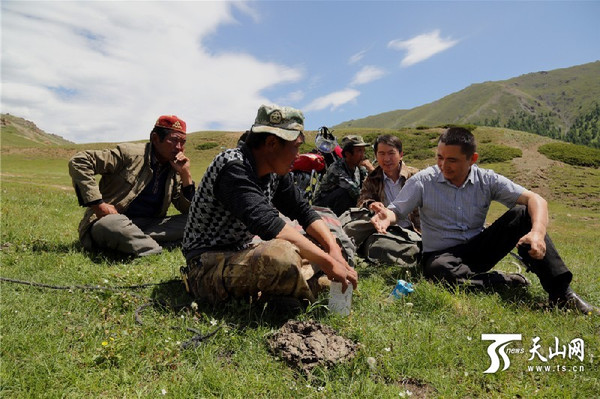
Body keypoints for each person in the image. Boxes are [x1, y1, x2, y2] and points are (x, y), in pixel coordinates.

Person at [370, 127, 598, 315]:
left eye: (452, 160)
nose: (443, 165)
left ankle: (562, 295)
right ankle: (501, 281)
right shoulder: (423, 181)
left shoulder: (486, 179)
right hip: (442, 256)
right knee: (437, 271)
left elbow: (536, 199)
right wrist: (386, 217)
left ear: (472, 159)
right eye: (439, 157)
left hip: (478, 249)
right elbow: (397, 210)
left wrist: (537, 232)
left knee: (523, 213)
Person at [181, 104, 358, 307]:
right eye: (296, 147)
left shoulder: (274, 171)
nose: (298, 155)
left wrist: (332, 250)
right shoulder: (232, 167)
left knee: (326, 240)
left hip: (242, 252)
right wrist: (328, 262)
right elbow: (269, 225)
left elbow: (303, 211)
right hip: (205, 265)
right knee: (281, 258)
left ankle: (290, 290)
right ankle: (300, 288)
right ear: (272, 143)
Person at [69, 115, 195, 257]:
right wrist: (99, 205)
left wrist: (186, 175)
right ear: (155, 138)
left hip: (149, 225)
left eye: (182, 142)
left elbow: (189, 210)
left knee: (196, 222)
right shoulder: (128, 154)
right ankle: (155, 248)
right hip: (114, 220)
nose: (179, 147)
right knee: (110, 227)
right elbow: (79, 161)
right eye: (173, 140)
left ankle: (135, 243)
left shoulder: (175, 168)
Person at [341, 134, 422, 267]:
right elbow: (362, 200)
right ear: (376, 156)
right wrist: (371, 204)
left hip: (416, 229)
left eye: (391, 153)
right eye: (381, 154)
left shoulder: (416, 176)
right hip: (387, 230)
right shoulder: (372, 178)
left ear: (401, 154)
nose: (386, 159)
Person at [313, 135, 375, 216]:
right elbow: (354, 191)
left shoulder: (359, 168)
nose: (363, 155)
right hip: (323, 208)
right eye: (359, 151)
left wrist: (371, 169)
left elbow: (373, 184)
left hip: (343, 204)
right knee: (344, 193)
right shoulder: (336, 169)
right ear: (347, 154)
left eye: (363, 151)